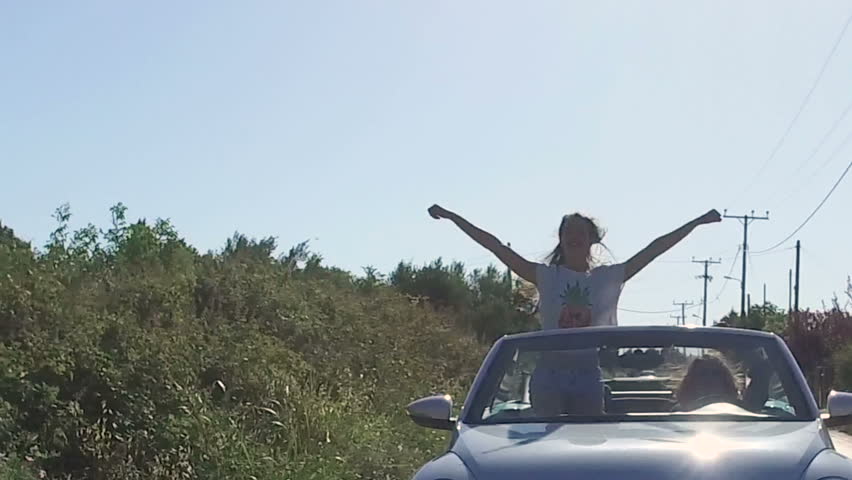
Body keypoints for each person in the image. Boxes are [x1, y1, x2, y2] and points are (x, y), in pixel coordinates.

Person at [428, 205, 722, 415]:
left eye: (580, 231)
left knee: (586, 441)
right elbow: (495, 247)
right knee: (546, 443)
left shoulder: (607, 278)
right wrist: (454, 218)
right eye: (568, 231)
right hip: (548, 373)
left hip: (586, 373)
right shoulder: (547, 276)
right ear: (561, 238)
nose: (574, 236)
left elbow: (654, 249)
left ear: (591, 239)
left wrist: (695, 222)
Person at [676, 356, 740, 411]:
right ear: (691, 381)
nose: (709, 379)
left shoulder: (741, 412)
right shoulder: (678, 414)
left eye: (715, 374)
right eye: (702, 374)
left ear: (725, 380)